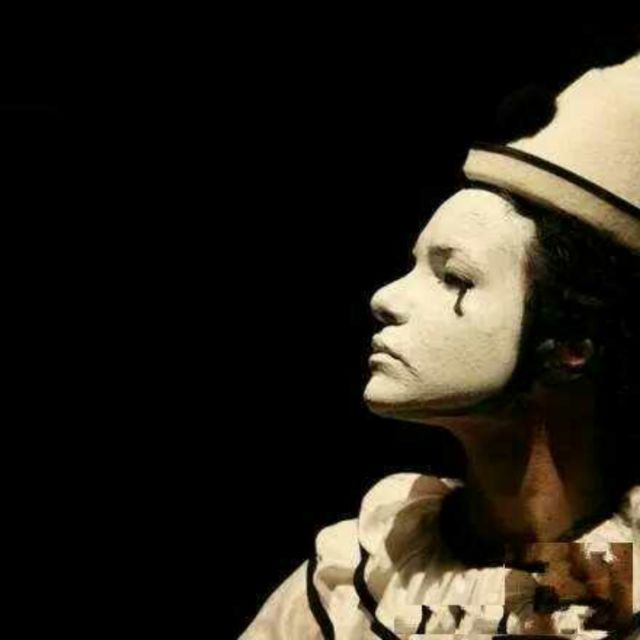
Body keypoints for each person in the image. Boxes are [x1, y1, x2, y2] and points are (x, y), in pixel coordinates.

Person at [240, 53, 640, 640]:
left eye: (454, 278)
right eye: (415, 267)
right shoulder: (360, 576)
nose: (385, 298)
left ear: (571, 345)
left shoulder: (625, 585)